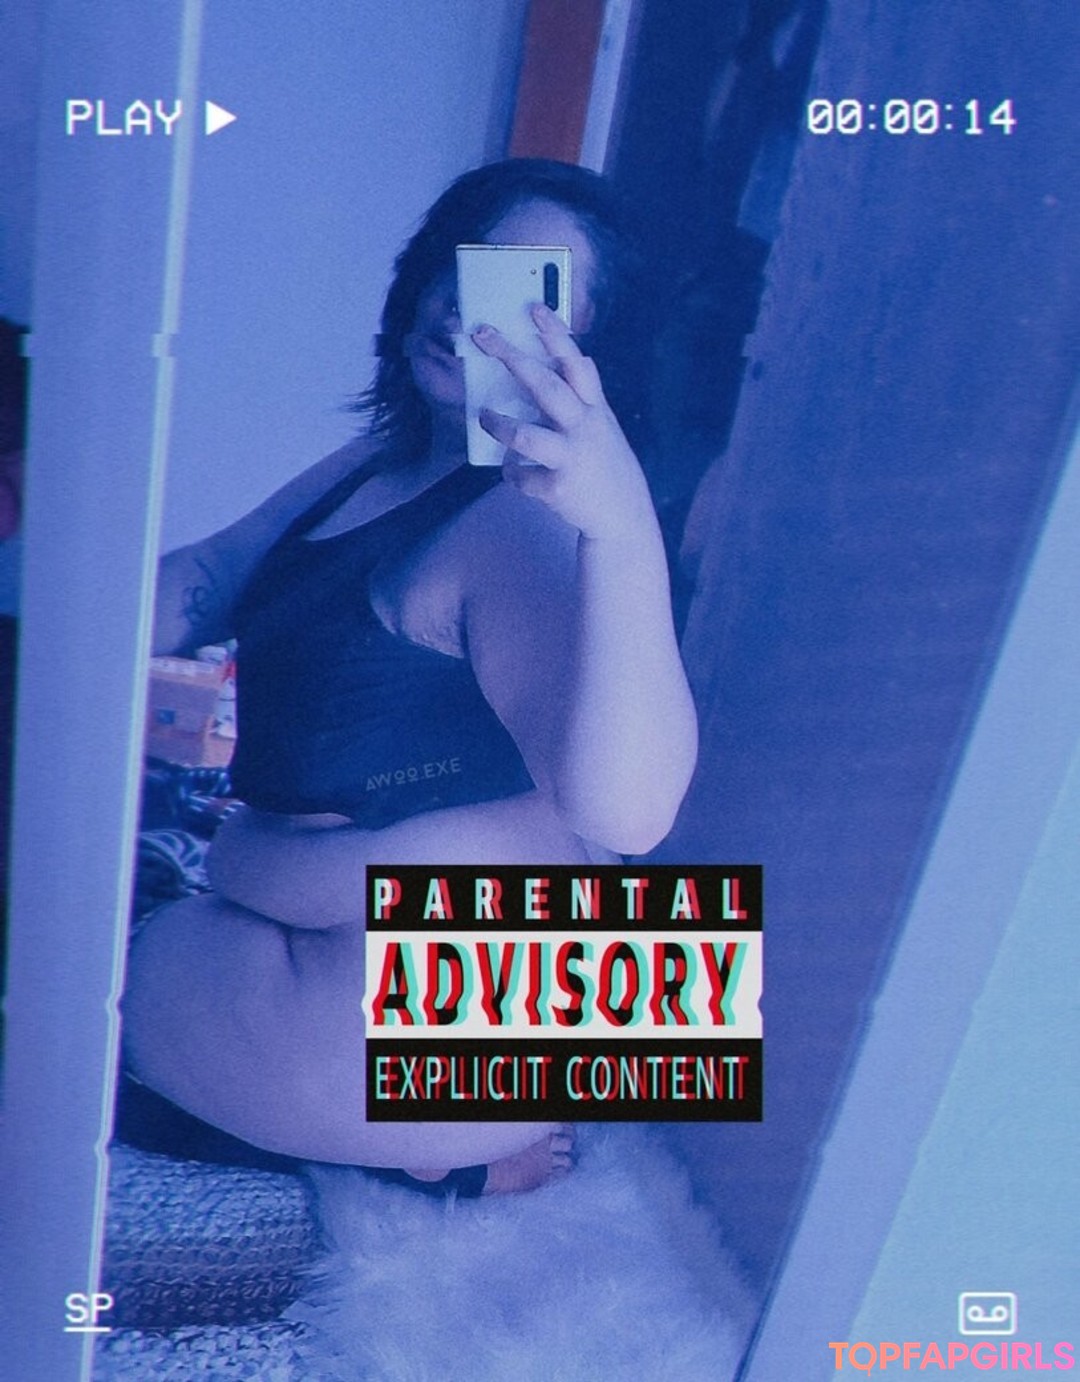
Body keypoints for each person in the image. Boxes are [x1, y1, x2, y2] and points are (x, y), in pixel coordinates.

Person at [120, 159, 698, 1195]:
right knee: (125, 947)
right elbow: (209, 575)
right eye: (458, 265)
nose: (460, 311)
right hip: (363, 954)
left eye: (522, 295)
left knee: (106, 992)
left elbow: (632, 814)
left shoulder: (519, 525)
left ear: (586, 352)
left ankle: (457, 1155)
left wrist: (622, 526)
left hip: (457, 1020)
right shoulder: (382, 459)